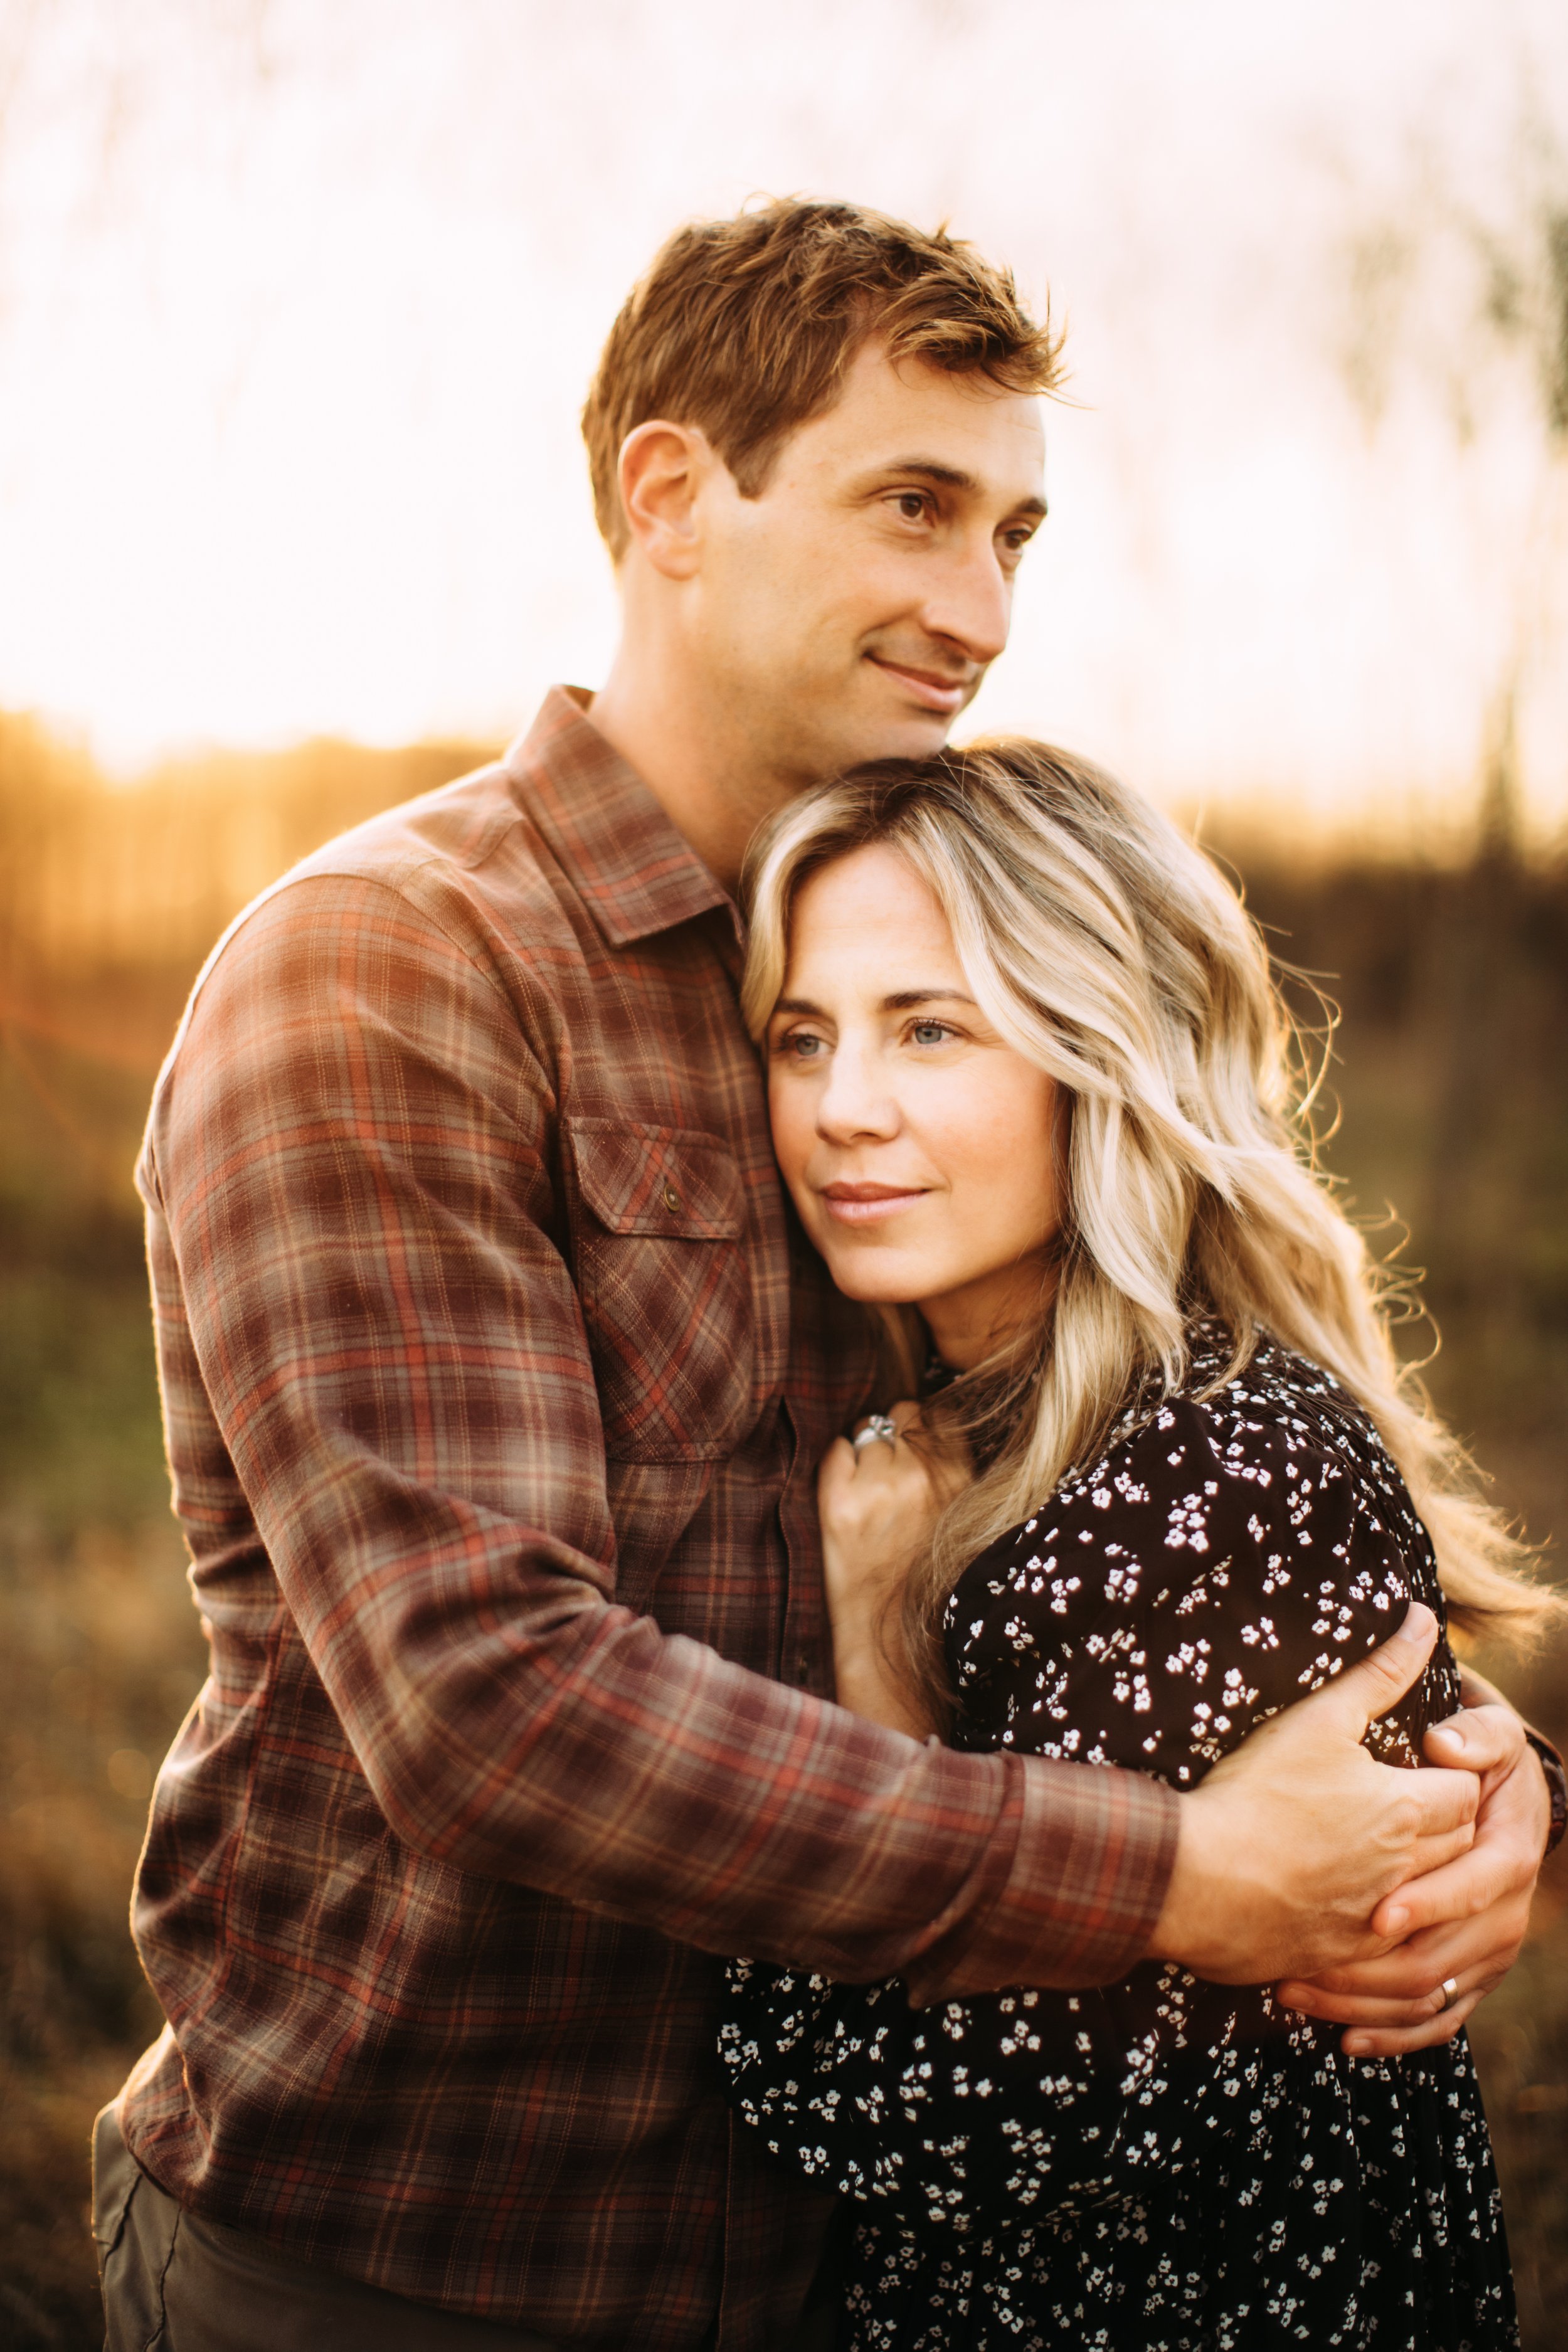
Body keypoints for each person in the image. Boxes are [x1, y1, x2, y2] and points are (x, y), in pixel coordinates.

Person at [93, 199, 1560, 2351]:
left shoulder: (948, 938)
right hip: (440, 2250)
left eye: (1018, 536)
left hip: (868, 2264)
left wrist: (1455, 1778)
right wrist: (1185, 1882)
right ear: (672, 498)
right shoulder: (389, 973)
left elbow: (1176, 1443)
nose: (978, 608)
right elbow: (487, 1699)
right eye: (914, 508)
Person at [721, 740, 1560, 2347]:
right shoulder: (997, 1419)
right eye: (800, 1035)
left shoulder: (1202, 1479)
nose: (840, 1108)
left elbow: (932, 2132)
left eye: (932, 1029)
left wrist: (875, 1690)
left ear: (1105, 1057)